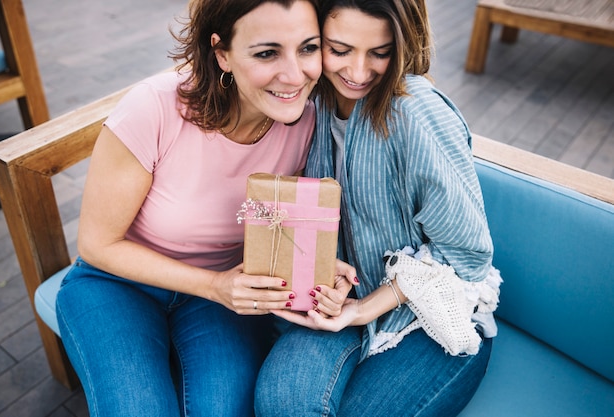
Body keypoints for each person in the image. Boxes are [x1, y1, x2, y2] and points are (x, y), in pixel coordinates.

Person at [55, 1, 357, 416]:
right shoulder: (153, 108)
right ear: (222, 53)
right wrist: (213, 286)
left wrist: (326, 265)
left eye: (307, 48)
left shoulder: (310, 122)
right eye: (267, 53)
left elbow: (293, 220)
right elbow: (96, 243)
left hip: (223, 294)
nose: (294, 74)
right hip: (117, 283)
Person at [255, 0, 500, 416]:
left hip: (431, 316)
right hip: (337, 306)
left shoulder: (416, 112)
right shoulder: (309, 103)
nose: (358, 71)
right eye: (340, 49)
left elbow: (467, 255)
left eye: (380, 53)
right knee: (283, 406)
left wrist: (363, 310)